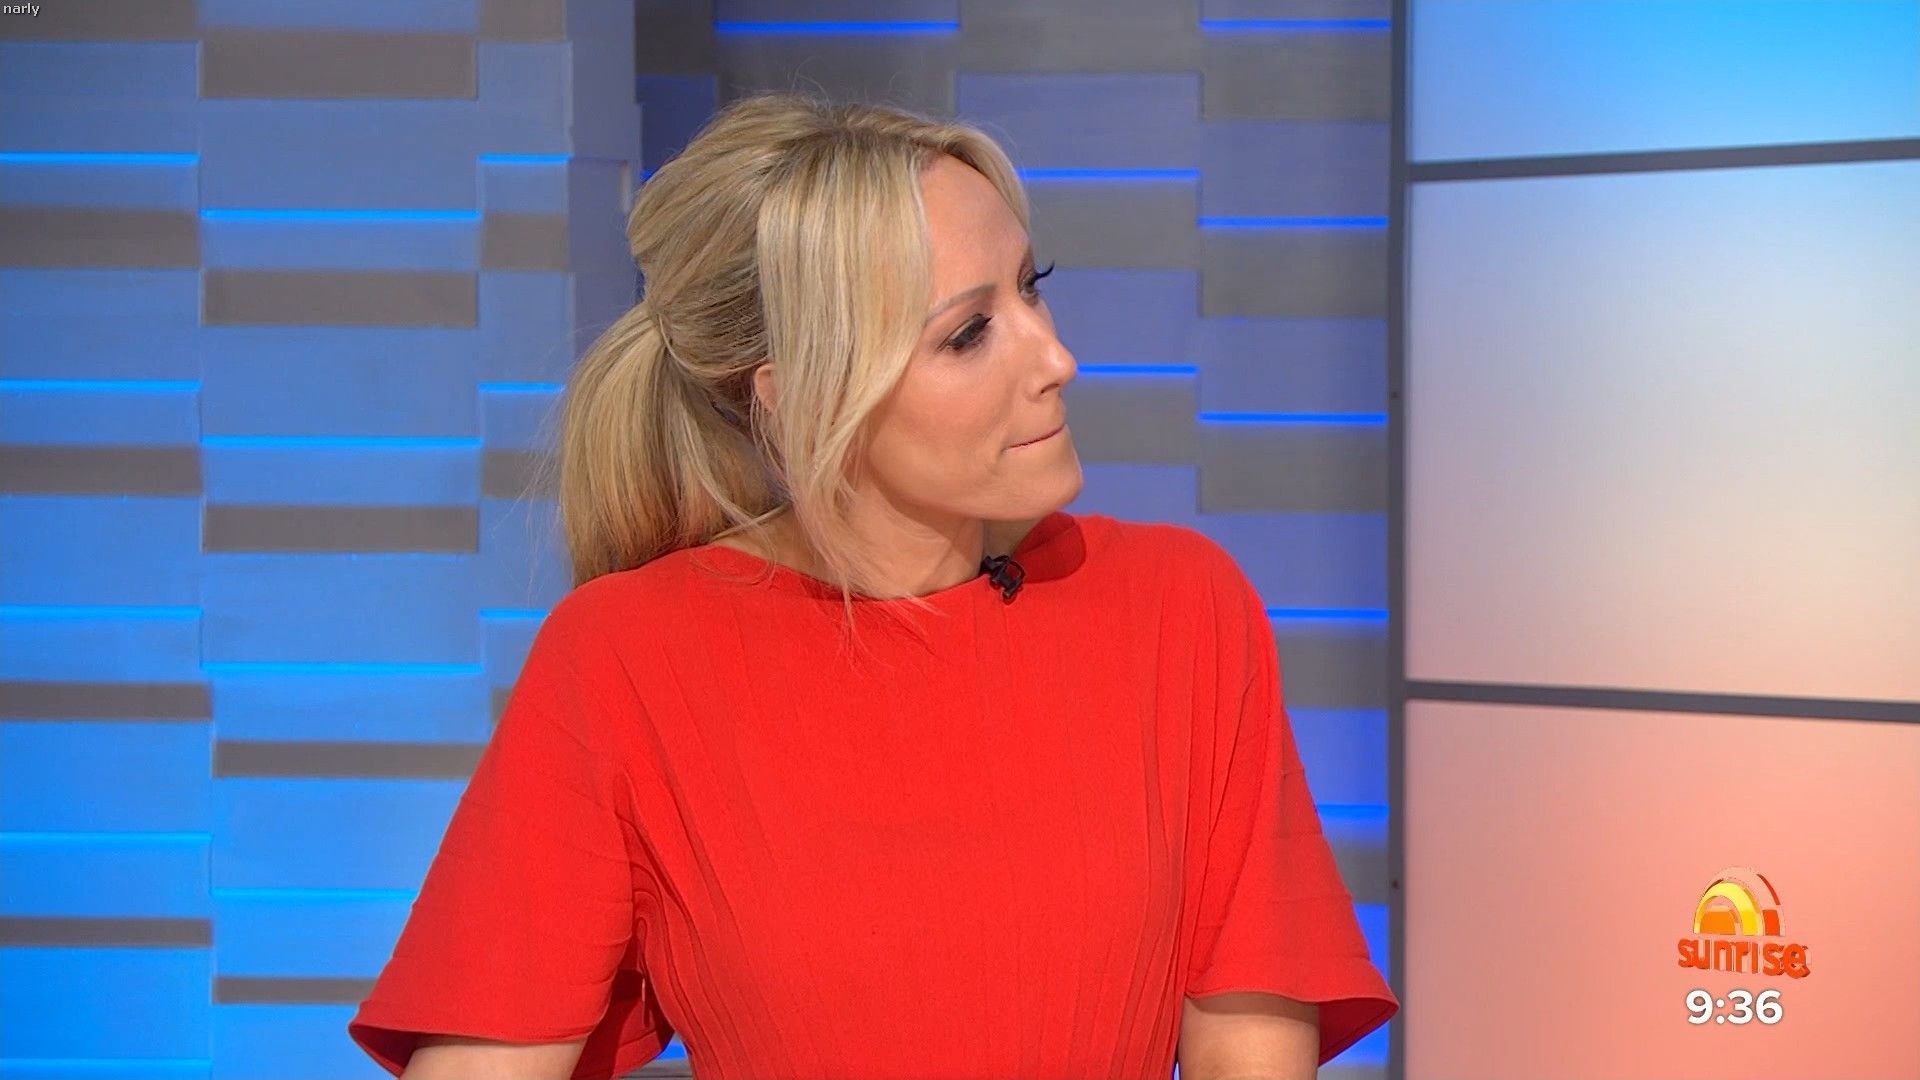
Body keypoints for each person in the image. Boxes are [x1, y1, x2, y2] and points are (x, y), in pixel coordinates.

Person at [345, 91, 1398, 1080]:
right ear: (796, 394)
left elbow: (1249, 1039)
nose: (1056, 358)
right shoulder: (623, 658)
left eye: (1031, 288)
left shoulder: (1179, 610)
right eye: (968, 332)